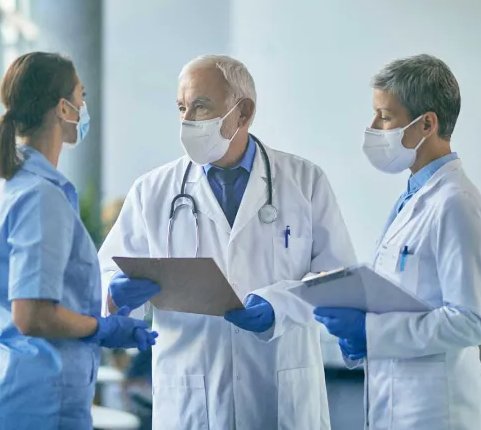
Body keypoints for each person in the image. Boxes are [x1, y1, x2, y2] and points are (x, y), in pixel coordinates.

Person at [98, 55, 357, 430]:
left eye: (201, 107)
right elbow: (109, 269)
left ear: (244, 113)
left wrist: (280, 306)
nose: (188, 120)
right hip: (191, 398)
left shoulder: (305, 182)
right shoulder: (152, 192)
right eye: (182, 108)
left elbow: (338, 278)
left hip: (280, 392)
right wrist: (114, 292)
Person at [0, 52, 157, 430]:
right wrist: (102, 329)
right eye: (81, 97)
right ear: (64, 109)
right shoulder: (40, 195)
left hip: (27, 394)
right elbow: (32, 314)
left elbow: (48, 293)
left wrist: (108, 301)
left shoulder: (18, 182)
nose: (85, 108)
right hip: (35, 404)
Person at [314, 54, 481, 430]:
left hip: (435, 411)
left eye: (385, 116)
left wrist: (370, 332)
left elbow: (470, 322)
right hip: (395, 400)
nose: (373, 127)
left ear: (427, 123)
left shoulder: (456, 202)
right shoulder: (415, 195)